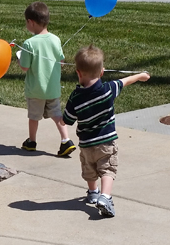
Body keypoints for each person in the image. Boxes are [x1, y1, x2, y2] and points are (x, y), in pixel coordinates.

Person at [63, 44, 150, 218]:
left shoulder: (75, 97)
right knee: (107, 169)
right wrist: (140, 76)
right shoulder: (108, 90)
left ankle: (93, 192)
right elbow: (125, 81)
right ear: (102, 72)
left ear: (78, 73)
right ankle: (105, 196)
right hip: (106, 142)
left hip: (86, 144)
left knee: (89, 169)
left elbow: (67, 120)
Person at [17, 1, 76, 157]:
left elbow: (25, 67)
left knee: (34, 117)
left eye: (26, 22)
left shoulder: (29, 43)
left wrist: (19, 58)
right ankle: (66, 140)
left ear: (31, 22)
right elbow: (61, 62)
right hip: (53, 89)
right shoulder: (55, 39)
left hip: (35, 90)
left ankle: (32, 141)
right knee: (57, 115)